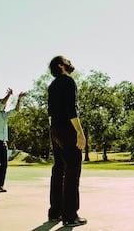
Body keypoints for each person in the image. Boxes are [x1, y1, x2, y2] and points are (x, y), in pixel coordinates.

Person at [47, 56, 87, 227]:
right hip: (66, 129)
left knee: (58, 169)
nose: (71, 63)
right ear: (61, 65)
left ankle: (55, 212)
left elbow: (50, 112)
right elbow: (72, 109)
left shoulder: (52, 85)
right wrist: (80, 132)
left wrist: (54, 132)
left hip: (54, 129)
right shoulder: (68, 82)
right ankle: (70, 216)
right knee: (72, 170)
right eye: (68, 61)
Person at [0, 88, 26, 193]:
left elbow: (16, 110)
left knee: (4, 164)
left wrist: (19, 99)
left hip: (3, 142)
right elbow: (3, 102)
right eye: (2, 104)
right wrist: (9, 95)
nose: (5, 105)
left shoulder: (5, 115)